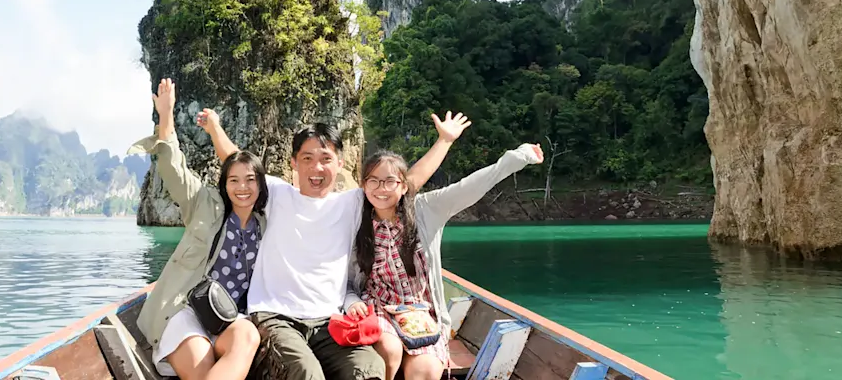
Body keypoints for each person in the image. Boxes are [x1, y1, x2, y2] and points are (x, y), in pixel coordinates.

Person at [199, 108, 472, 380]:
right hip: (275, 316)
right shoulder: (276, 195)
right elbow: (238, 165)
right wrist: (214, 129)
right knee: (307, 373)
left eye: (326, 159)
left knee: (368, 369)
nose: (317, 168)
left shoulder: (352, 203)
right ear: (294, 162)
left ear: (340, 163)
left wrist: (444, 141)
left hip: (330, 321)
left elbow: (404, 183)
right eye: (307, 158)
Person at [343, 138, 544, 380]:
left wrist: (518, 157)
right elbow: (346, 282)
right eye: (373, 181)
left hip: (422, 313)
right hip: (378, 307)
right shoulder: (355, 221)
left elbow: (470, 186)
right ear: (363, 185)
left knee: (426, 371)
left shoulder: (426, 209)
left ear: (404, 186)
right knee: (388, 350)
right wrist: (352, 302)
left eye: (389, 181)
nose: (381, 189)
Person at [129, 78, 269, 380]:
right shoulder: (206, 204)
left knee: (248, 337)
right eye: (233, 180)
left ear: (261, 183)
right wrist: (166, 116)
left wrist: (216, 129)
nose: (242, 188)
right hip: (186, 311)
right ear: (224, 183)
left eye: (250, 180)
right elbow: (173, 168)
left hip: (229, 317)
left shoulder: (265, 223)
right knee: (204, 366)